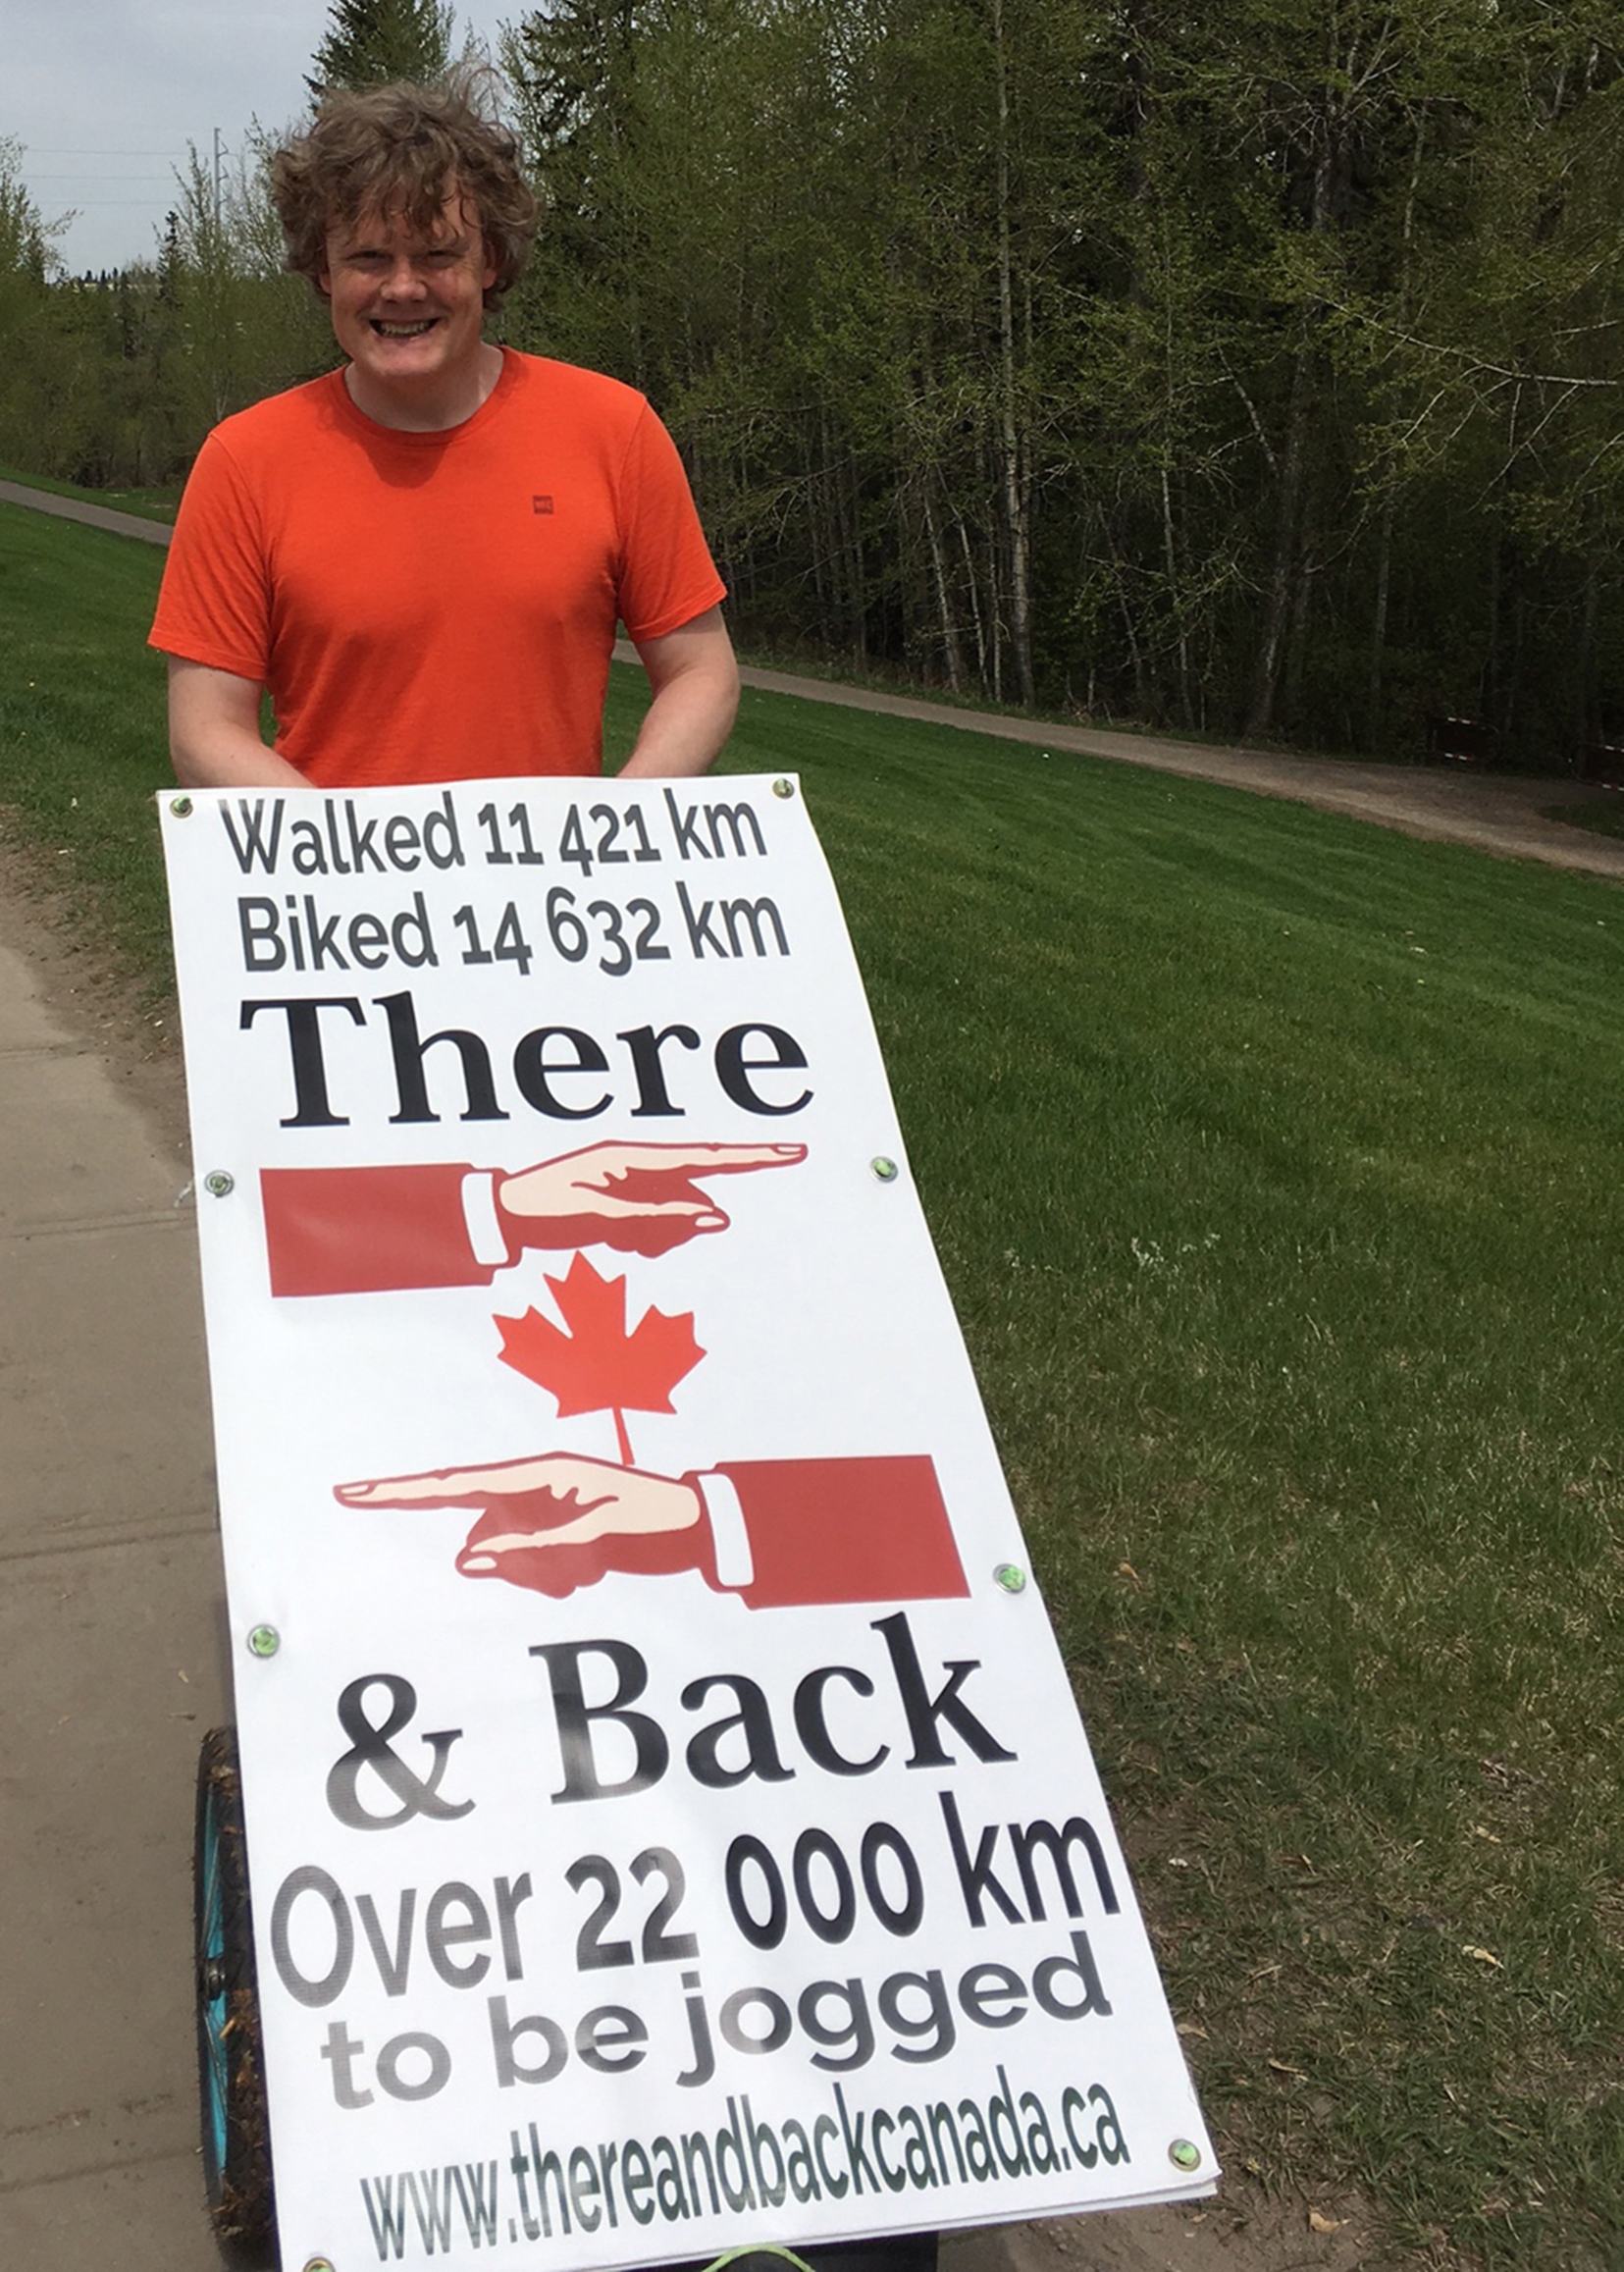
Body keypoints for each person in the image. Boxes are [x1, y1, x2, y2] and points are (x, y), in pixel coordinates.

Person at [149, 76, 738, 791]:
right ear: (321, 269)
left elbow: (700, 672)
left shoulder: (613, 430)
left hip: (558, 893)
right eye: (368, 257)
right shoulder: (245, 462)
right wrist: (346, 856)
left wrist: (613, 829)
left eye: (437, 255)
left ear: (489, 262)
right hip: (340, 893)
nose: (402, 288)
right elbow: (205, 728)